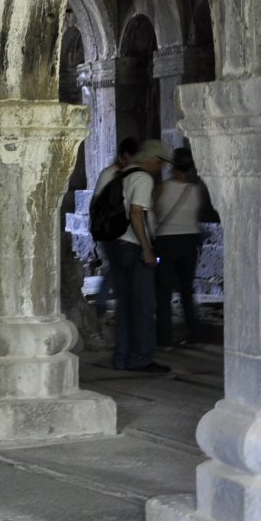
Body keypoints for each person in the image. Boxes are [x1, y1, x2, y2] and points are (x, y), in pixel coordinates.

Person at [111, 139, 170, 374]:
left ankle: (121, 357)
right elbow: (136, 213)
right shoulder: (143, 178)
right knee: (145, 306)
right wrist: (147, 248)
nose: (161, 168)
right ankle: (141, 358)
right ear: (154, 160)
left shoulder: (122, 174)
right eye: (161, 163)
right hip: (135, 247)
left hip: (118, 245)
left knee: (125, 306)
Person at [153, 146, 209, 346]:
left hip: (166, 241)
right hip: (190, 240)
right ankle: (194, 334)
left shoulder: (162, 188)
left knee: (164, 291)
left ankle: (165, 339)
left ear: (173, 167)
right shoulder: (196, 190)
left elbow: (153, 212)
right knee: (186, 290)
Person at [89, 138, 139, 314]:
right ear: (125, 156)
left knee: (117, 267)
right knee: (117, 267)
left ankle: (109, 302)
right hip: (110, 229)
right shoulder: (109, 174)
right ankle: (110, 303)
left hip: (124, 230)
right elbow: (95, 201)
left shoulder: (132, 175)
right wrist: (96, 226)